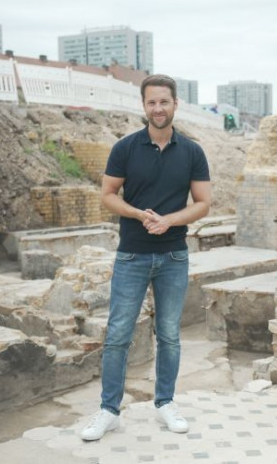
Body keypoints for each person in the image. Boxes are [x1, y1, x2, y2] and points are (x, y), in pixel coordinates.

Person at [80, 74, 211, 441]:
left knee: (169, 335)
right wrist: (138, 214)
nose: (158, 108)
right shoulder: (125, 148)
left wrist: (169, 220)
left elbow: (203, 203)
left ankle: (165, 403)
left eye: (164, 101)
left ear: (175, 104)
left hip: (173, 256)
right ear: (143, 106)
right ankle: (109, 411)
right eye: (151, 102)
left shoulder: (192, 152)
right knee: (118, 334)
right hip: (132, 256)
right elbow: (108, 194)